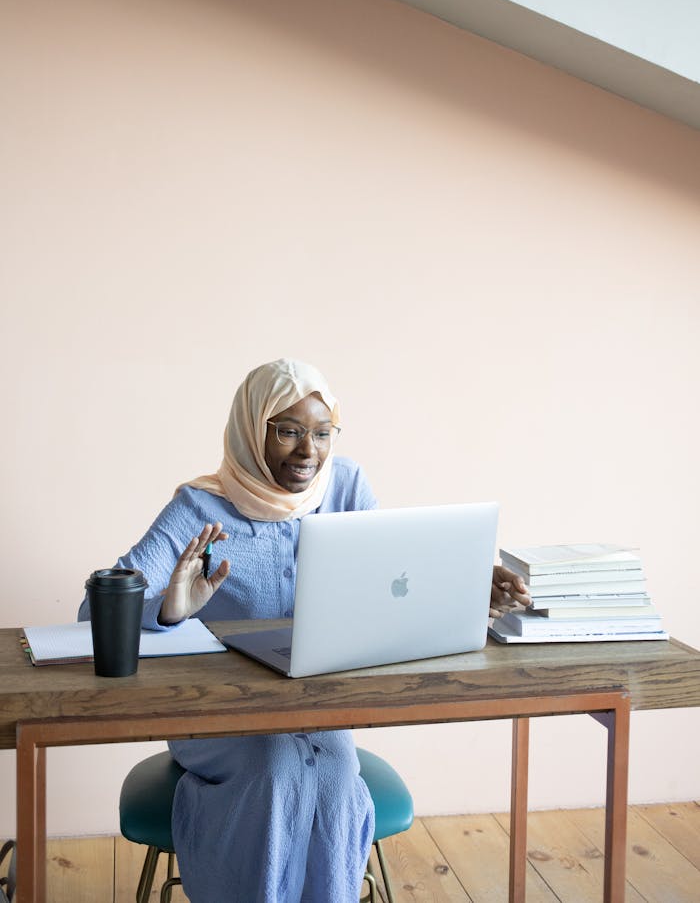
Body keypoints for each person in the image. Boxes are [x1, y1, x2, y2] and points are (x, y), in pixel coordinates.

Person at [79, 358, 529, 903]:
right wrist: (168, 609)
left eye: (321, 433)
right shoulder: (199, 506)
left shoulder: (345, 486)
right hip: (215, 716)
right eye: (288, 431)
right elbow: (91, 615)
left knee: (337, 774)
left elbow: (395, 576)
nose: (308, 451)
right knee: (274, 767)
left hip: (319, 709)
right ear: (252, 429)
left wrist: (472, 588)